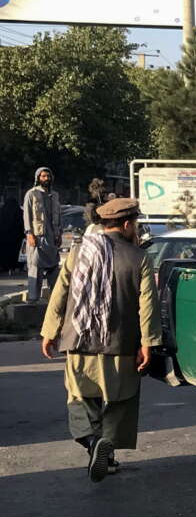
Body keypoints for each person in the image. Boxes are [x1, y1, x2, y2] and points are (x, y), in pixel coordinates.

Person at [39, 198, 160, 482]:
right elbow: (147, 306)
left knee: (80, 399)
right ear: (127, 224)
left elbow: (60, 292)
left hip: (79, 342)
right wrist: (147, 343)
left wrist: (49, 331)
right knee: (120, 401)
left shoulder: (79, 251)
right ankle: (106, 450)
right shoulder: (139, 257)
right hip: (120, 345)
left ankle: (94, 444)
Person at [22, 166, 62, 302]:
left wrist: (59, 234)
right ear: (38, 178)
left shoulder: (55, 195)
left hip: (52, 238)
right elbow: (27, 215)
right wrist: (29, 233)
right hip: (37, 237)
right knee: (35, 267)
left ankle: (55, 299)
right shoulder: (31, 194)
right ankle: (33, 299)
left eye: (48, 176)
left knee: (54, 269)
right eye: (43, 176)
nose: (46, 178)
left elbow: (59, 216)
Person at [0, 195, 21, 273]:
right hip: (16, 238)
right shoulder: (19, 211)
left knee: (4, 252)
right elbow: (22, 225)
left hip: (3, 238)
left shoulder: (2, 211)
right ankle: (15, 267)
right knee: (15, 252)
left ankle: (4, 266)